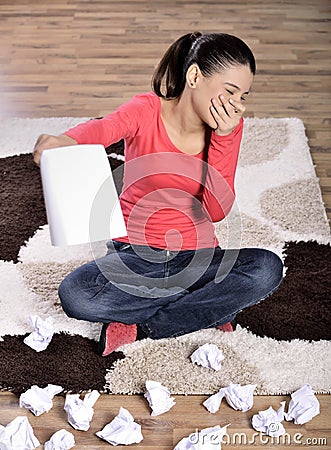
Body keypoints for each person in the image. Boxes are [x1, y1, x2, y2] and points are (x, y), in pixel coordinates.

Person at [33, 32, 283, 356]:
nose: (235, 105)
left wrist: (223, 139)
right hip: (136, 255)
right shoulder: (146, 110)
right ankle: (206, 310)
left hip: (198, 257)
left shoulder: (229, 129)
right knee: (76, 295)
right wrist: (66, 141)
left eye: (243, 97)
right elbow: (104, 128)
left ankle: (142, 327)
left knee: (267, 268)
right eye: (229, 92)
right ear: (194, 76)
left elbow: (217, 211)